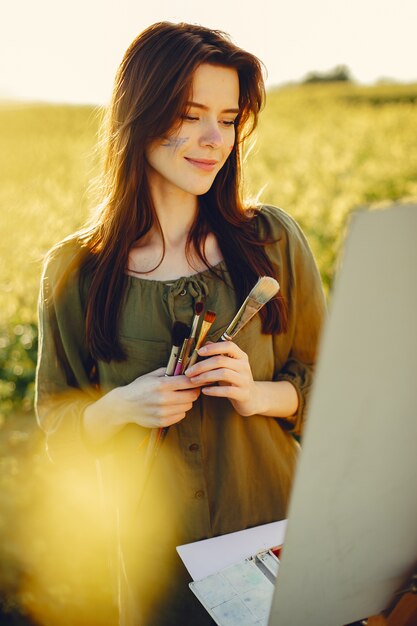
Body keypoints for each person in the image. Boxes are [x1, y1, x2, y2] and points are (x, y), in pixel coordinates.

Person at [35, 21, 326, 626]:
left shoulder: (272, 241)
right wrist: (122, 406)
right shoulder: (75, 271)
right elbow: (59, 421)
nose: (213, 139)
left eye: (228, 118)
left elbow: (331, 387)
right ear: (139, 116)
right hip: (157, 571)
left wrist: (256, 394)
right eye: (190, 114)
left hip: (281, 541)